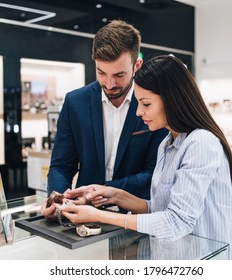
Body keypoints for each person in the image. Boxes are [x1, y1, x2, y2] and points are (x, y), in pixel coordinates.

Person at [61, 55, 232, 259]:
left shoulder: (200, 143)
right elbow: (159, 208)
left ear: (172, 100)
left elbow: (176, 222)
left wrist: (100, 216)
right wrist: (113, 194)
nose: (139, 112)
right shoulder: (167, 143)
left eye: (146, 104)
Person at [42, 20, 167, 218]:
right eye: (101, 72)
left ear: (137, 66)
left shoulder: (153, 104)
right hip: (82, 216)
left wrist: (103, 192)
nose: (109, 84)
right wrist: (57, 197)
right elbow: (61, 165)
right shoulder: (75, 102)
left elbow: (154, 173)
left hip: (137, 219)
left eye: (119, 75)